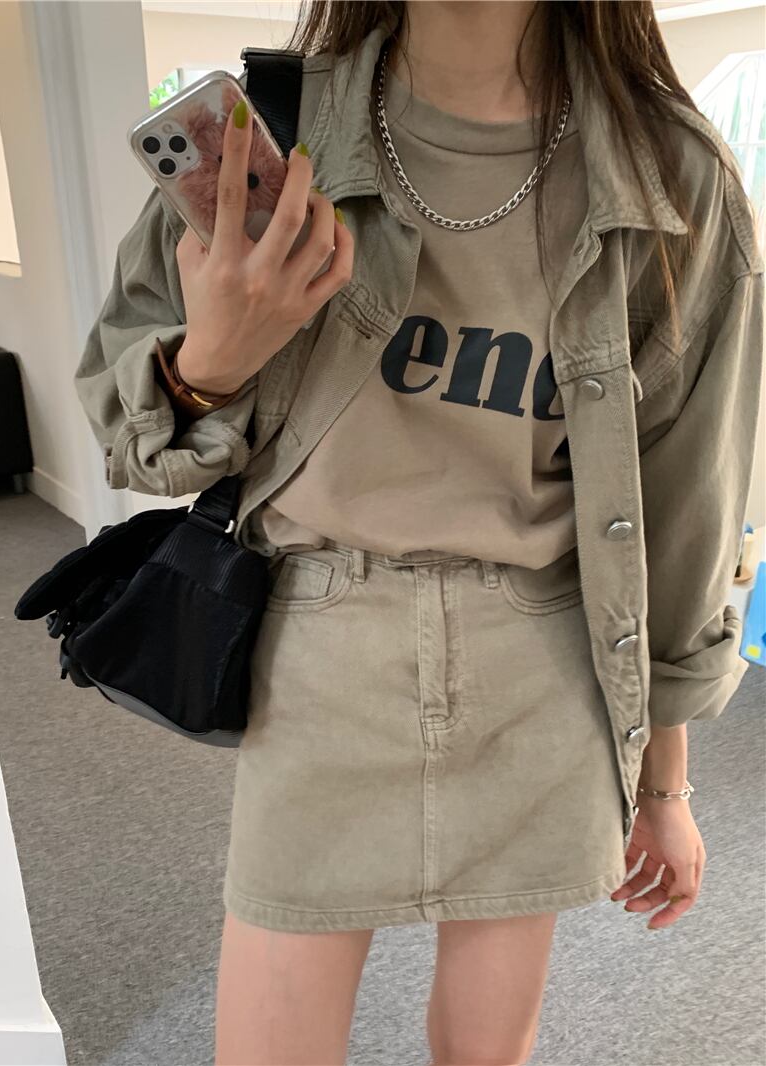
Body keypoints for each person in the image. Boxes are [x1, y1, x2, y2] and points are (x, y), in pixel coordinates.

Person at [73, 2, 764, 1063]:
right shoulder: (272, 132)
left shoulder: (669, 176)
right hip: (318, 656)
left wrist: (663, 781)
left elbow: (683, 506)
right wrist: (209, 362)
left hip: (539, 664)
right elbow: (132, 439)